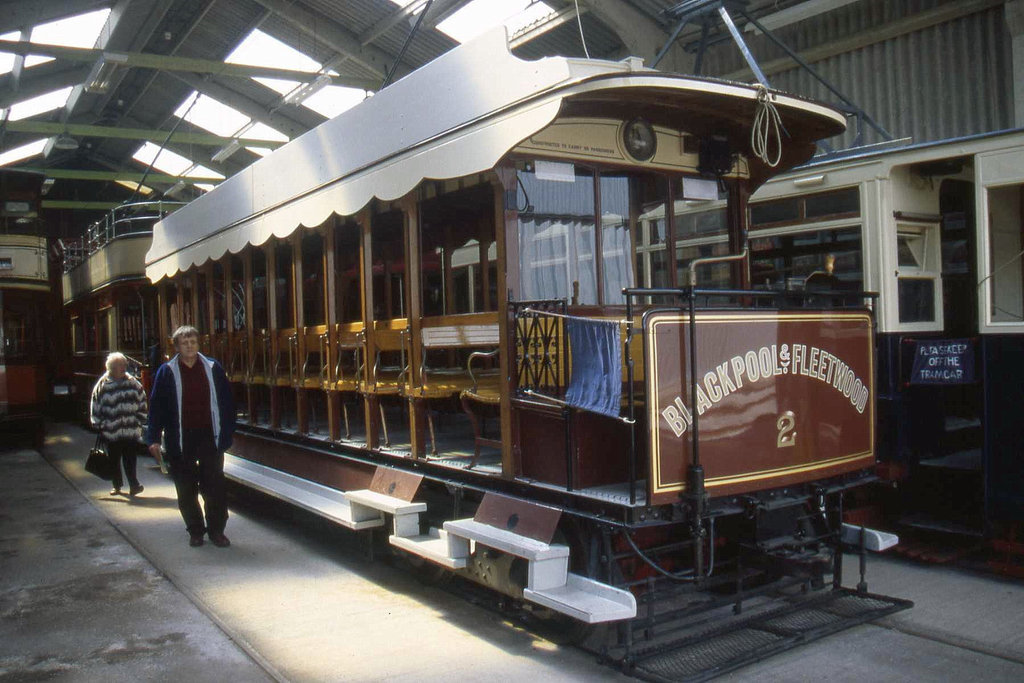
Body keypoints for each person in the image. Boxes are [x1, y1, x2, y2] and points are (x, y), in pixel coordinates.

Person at [147, 325, 236, 548]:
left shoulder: (213, 367)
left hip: (209, 436)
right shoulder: (166, 372)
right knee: (186, 488)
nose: (190, 346)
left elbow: (227, 403)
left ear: (199, 344)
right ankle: (195, 530)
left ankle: (217, 531)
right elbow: (156, 407)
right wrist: (153, 438)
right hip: (181, 438)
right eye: (185, 343)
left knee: (214, 486)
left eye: (193, 342)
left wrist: (227, 433)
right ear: (176, 347)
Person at [90, 352, 148, 497]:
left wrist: (140, 418)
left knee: (130, 459)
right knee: (114, 460)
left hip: (130, 429)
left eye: (124, 365)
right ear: (111, 368)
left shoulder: (133, 382)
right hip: (112, 430)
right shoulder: (103, 384)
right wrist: (98, 423)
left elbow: (142, 399)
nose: (123, 368)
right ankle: (116, 486)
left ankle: (134, 485)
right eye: (119, 366)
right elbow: (95, 404)